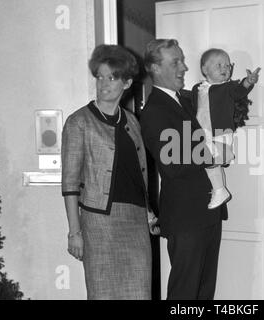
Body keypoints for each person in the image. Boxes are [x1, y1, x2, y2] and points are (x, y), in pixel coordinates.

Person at [61, 44, 159, 300]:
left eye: (112, 77)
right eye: (100, 76)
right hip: (99, 222)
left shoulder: (132, 121)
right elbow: (70, 183)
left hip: (136, 221)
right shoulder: (79, 121)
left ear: (126, 83)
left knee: (140, 293)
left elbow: (138, 172)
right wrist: (75, 231)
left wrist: (148, 212)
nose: (104, 83)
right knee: (103, 294)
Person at [140, 39, 232, 299]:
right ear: (155, 69)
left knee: (204, 291)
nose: (184, 66)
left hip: (208, 212)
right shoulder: (155, 110)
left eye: (182, 60)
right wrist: (214, 154)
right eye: (175, 62)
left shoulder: (186, 99)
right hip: (186, 216)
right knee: (184, 292)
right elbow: (173, 164)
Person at [191, 48, 260, 209]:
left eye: (228, 66)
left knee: (209, 158)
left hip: (220, 132)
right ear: (204, 69)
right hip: (203, 132)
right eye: (219, 65)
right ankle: (218, 189)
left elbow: (240, 90)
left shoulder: (228, 88)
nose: (225, 69)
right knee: (210, 162)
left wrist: (248, 81)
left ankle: (220, 189)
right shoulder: (197, 88)